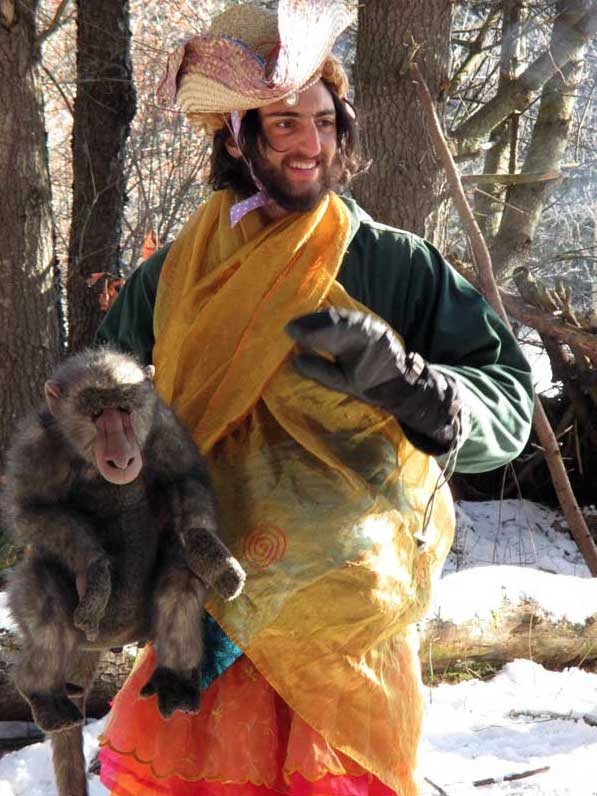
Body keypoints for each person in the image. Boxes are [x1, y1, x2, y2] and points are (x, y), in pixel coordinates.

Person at [96, 3, 534, 796]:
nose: (309, 144)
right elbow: (100, 400)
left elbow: (505, 398)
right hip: (210, 600)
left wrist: (425, 395)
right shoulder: (177, 274)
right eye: (284, 123)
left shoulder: (391, 264)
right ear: (236, 137)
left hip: (345, 617)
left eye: (325, 122)